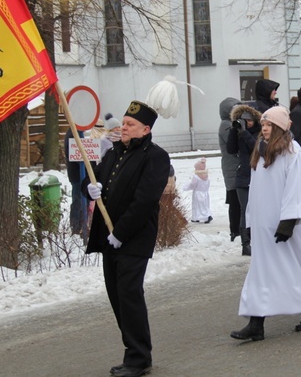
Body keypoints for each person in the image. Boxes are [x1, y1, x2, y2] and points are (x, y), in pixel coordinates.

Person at [84, 100, 170, 377]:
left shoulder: (155, 157)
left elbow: (145, 199)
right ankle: (133, 351)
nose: (124, 127)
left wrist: (121, 233)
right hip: (109, 238)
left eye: (130, 124)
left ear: (145, 129)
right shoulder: (114, 152)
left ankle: (138, 357)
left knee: (129, 294)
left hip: (133, 238)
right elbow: (98, 180)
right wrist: (91, 188)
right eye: (123, 122)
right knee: (116, 296)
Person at [230, 106, 301, 342]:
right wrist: (250, 222)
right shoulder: (261, 152)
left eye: (270, 125)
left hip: (285, 226)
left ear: (281, 127)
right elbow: (255, 191)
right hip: (264, 226)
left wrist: (288, 222)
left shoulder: (293, 154)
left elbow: (295, 190)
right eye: (263, 124)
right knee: (260, 273)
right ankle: (256, 323)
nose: (264, 128)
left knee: (292, 269)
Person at [227, 103, 262, 256]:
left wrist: (244, 134)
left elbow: (257, 148)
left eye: (250, 120)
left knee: (258, 209)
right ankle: (245, 244)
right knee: (244, 210)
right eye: (244, 120)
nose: (247, 123)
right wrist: (234, 132)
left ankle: (259, 240)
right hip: (243, 176)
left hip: (258, 175)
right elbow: (231, 149)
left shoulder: (261, 132)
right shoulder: (238, 131)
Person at [218, 97, 241, 241]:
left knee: (236, 200)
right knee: (234, 200)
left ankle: (237, 230)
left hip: (234, 167)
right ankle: (235, 231)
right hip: (232, 168)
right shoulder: (226, 125)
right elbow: (234, 146)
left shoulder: (230, 123)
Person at [65, 127, 87, 236]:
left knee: (79, 199)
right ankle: (76, 227)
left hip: (77, 173)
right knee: (78, 200)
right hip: (78, 173)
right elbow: (76, 154)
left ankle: (79, 226)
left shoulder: (74, 131)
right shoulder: (74, 132)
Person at [184, 158, 213, 224]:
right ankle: (197, 217)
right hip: (205, 193)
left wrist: (186, 187)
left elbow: (192, 185)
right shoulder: (206, 176)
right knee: (204, 205)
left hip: (198, 193)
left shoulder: (196, 176)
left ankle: (206, 216)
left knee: (197, 206)